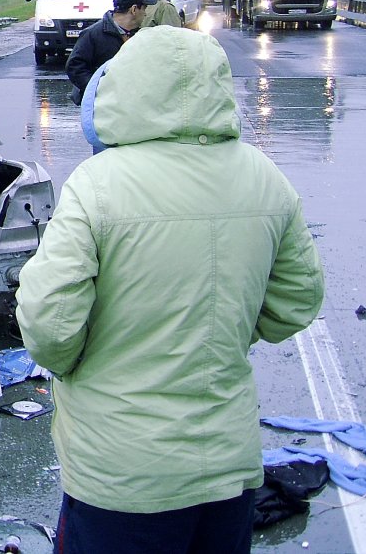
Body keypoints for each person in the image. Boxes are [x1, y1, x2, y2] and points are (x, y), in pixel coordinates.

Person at [16, 27, 324, 554]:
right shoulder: (265, 178)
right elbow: (297, 302)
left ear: (127, 85)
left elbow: (49, 326)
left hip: (121, 477)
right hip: (228, 469)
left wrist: (83, 363)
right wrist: (232, 325)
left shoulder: (97, 185)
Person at [65, 0, 155, 104]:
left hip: (131, 103)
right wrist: (99, 90)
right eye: (144, 8)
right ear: (134, 10)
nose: (145, 13)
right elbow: (75, 67)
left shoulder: (141, 35)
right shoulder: (93, 34)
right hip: (100, 105)